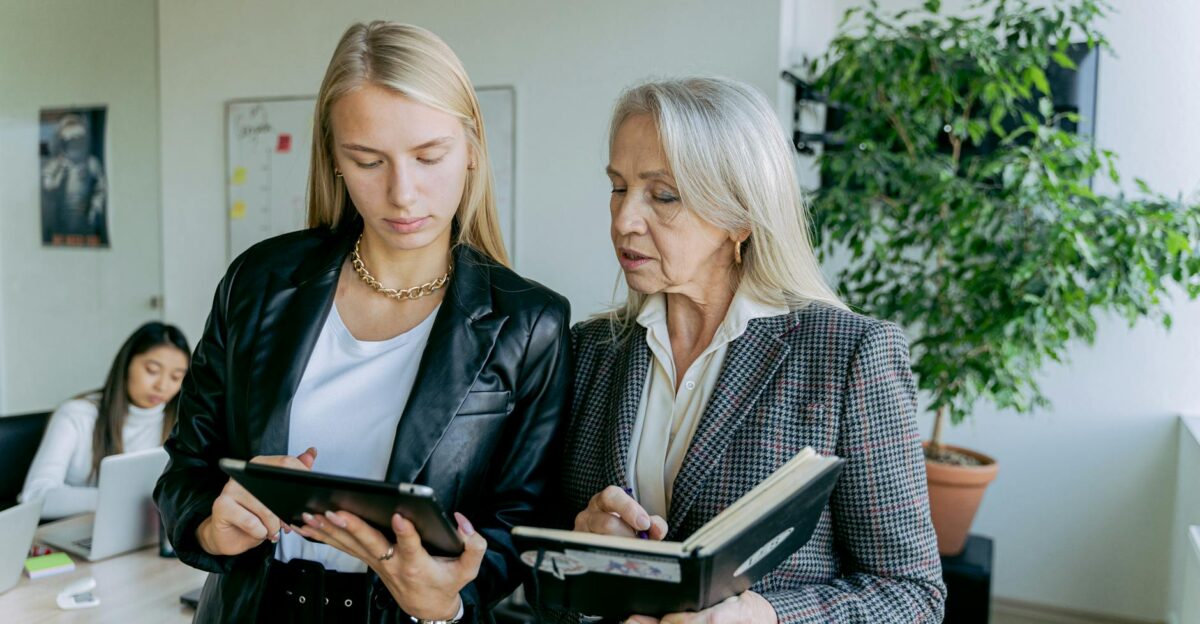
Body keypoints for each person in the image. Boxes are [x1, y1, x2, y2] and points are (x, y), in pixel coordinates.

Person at [154, 21, 572, 624]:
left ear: (473, 149)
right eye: (369, 160)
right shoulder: (260, 281)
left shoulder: (530, 324)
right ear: (335, 159)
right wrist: (213, 526)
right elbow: (185, 469)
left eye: (430, 156)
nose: (403, 193)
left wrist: (448, 601)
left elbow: (523, 521)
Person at [558, 77, 946, 623]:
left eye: (662, 195)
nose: (624, 220)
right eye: (618, 187)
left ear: (740, 217)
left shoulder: (849, 355)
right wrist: (583, 548)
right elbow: (543, 569)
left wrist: (767, 616)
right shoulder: (588, 351)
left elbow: (913, 596)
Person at [20, 321, 190, 520]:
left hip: (143, 531)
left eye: (176, 377)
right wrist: (116, 500)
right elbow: (35, 495)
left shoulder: (180, 422)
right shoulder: (76, 415)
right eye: (152, 370)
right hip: (74, 530)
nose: (162, 386)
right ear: (126, 364)